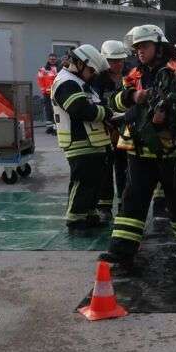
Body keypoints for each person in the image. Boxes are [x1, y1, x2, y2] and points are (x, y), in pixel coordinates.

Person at [100, 25, 176, 268]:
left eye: (144, 46)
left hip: (171, 154)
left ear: (159, 47)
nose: (139, 51)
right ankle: (121, 251)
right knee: (133, 200)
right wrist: (131, 97)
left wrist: (171, 117)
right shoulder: (135, 75)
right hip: (139, 153)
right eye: (136, 47)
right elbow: (115, 99)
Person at [50, 44, 111, 233]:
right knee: (83, 181)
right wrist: (107, 113)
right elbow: (80, 109)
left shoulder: (78, 82)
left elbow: (93, 105)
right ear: (80, 63)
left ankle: (88, 214)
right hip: (79, 141)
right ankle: (75, 220)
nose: (92, 74)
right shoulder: (67, 82)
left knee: (93, 181)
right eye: (91, 70)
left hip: (91, 142)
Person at [94, 40, 130, 223]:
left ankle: (124, 204)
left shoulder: (130, 76)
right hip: (106, 129)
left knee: (124, 169)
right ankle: (104, 207)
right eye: (113, 61)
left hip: (126, 129)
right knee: (105, 171)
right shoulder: (97, 80)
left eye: (121, 60)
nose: (118, 64)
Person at [39, 53, 59, 134]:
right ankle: (49, 128)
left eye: (54, 59)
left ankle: (55, 128)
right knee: (48, 110)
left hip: (57, 92)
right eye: (51, 59)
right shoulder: (43, 69)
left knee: (56, 110)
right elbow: (40, 80)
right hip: (47, 93)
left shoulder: (60, 68)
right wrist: (43, 91)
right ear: (48, 59)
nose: (52, 60)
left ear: (56, 59)